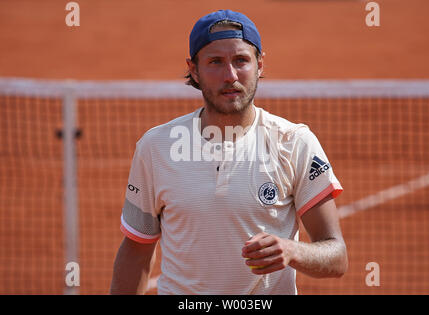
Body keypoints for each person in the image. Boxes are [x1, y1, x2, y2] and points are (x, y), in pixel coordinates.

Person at [110, 9, 348, 295]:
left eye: (241, 61)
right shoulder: (156, 147)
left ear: (259, 65)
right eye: (215, 62)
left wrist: (292, 251)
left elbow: (336, 255)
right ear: (194, 69)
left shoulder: (294, 142)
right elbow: (136, 250)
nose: (230, 75)